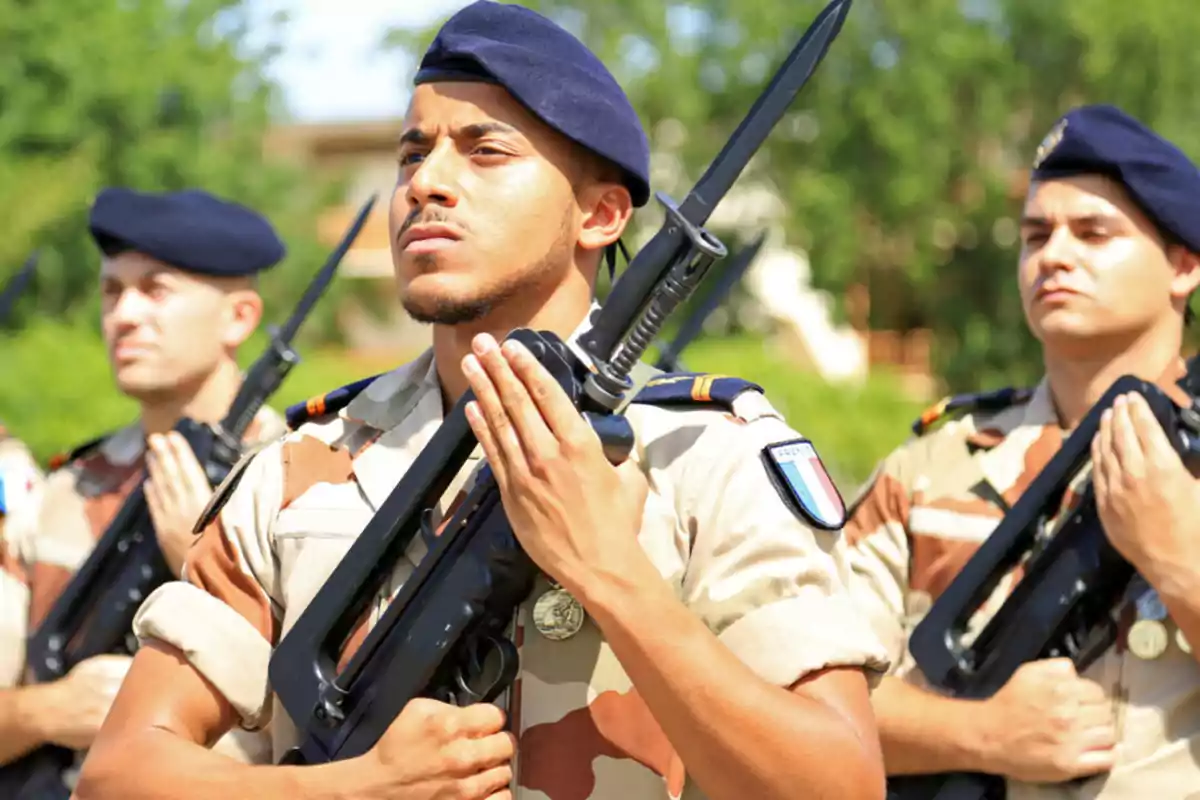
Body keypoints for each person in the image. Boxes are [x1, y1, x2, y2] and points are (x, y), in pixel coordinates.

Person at [74, 3, 891, 799]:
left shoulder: (708, 457)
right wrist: (356, 789)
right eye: (411, 153)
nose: (426, 182)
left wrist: (607, 567)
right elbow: (119, 773)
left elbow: (839, 782)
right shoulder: (300, 467)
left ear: (600, 213)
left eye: (484, 150)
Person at [841, 103, 1200, 798]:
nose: (1054, 255)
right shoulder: (931, 470)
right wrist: (984, 734)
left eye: (1094, 232)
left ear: (1183, 265)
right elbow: (802, 703)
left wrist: (1178, 558)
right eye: (1036, 235)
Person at [0, 187, 290, 781]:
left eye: (156, 289)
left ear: (239, 318)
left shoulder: (308, 486)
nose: (124, 314)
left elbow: (343, 718)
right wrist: (46, 712)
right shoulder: (65, 491)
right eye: (112, 290)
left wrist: (207, 565)